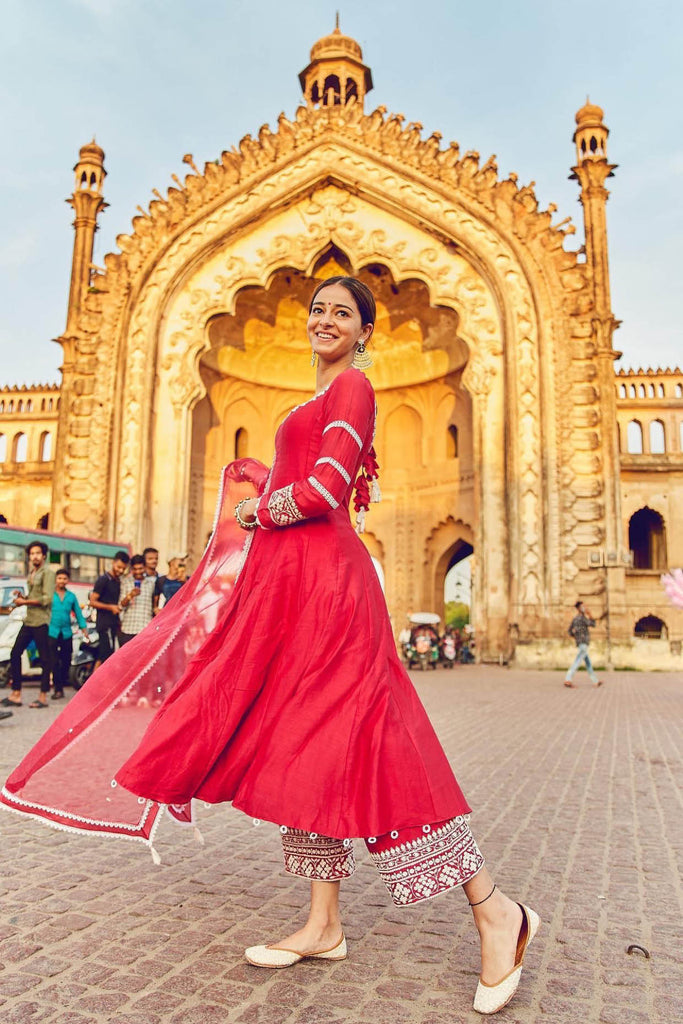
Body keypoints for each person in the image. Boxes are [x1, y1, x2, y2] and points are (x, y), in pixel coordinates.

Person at [2, 278, 539, 1016]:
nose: (324, 319)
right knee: (303, 744)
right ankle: (322, 923)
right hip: (293, 590)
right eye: (317, 308)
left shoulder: (352, 387)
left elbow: (325, 490)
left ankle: (495, 908)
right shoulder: (311, 402)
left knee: (375, 745)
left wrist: (257, 507)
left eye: (341, 312)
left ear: (364, 333)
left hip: (329, 593)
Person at [1, 541, 55, 709]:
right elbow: (33, 596)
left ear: (44, 555)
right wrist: (22, 596)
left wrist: (24, 601)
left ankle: (43, 696)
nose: (34, 556)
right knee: (15, 653)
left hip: (41, 621)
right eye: (32, 554)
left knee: (45, 659)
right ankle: (16, 693)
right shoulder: (32, 572)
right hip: (29, 619)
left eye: (38, 553)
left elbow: (46, 599)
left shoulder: (48, 573)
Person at [48, 568, 87, 699]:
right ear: (55, 579)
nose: (62, 581)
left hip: (66, 633)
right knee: (53, 660)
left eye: (64, 578)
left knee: (66, 660)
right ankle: (58, 689)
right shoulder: (50, 594)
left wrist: (84, 628)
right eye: (59, 578)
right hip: (52, 631)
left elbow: (78, 613)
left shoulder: (71, 596)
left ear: (67, 580)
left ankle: (62, 680)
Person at [89, 551, 130, 664]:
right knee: (105, 657)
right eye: (118, 567)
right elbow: (92, 602)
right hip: (104, 624)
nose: (120, 571)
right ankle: (97, 681)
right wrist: (110, 607)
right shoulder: (103, 580)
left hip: (113, 624)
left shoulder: (118, 581)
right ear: (113, 563)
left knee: (107, 654)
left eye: (123, 568)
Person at [564, 600, 603, 688]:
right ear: (578, 608)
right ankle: (568, 679)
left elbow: (569, 631)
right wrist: (590, 614)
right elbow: (593, 624)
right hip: (584, 642)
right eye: (583, 606)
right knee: (577, 661)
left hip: (580, 642)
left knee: (588, 663)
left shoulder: (575, 619)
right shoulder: (582, 618)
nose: (584, 608)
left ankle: (595, 681)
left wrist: (576, 637)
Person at [119, 555, 155, 645]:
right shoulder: (126, 582)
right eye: (135, 569)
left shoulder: (151, 583)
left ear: (145, 568)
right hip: (128, 629)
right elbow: (121, 605)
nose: (138, 572)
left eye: (140, 569)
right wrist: (130, 595)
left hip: (145, 629)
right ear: (131, 569)